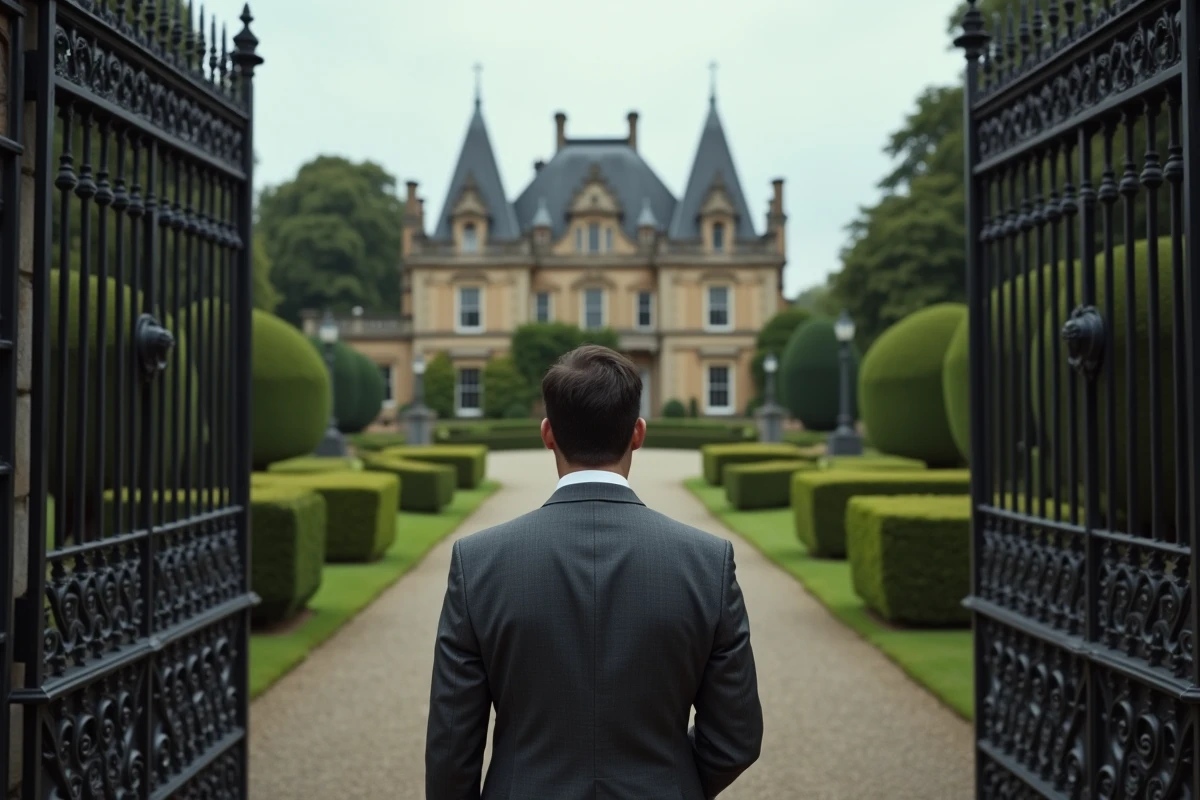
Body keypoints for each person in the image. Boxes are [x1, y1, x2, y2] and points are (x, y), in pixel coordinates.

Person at [425, 345, 763, 799]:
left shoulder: (479, 561)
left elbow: (450, 749)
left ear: (547, 434)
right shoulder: (707, 561)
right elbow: (736, 737)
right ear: (638, 433)